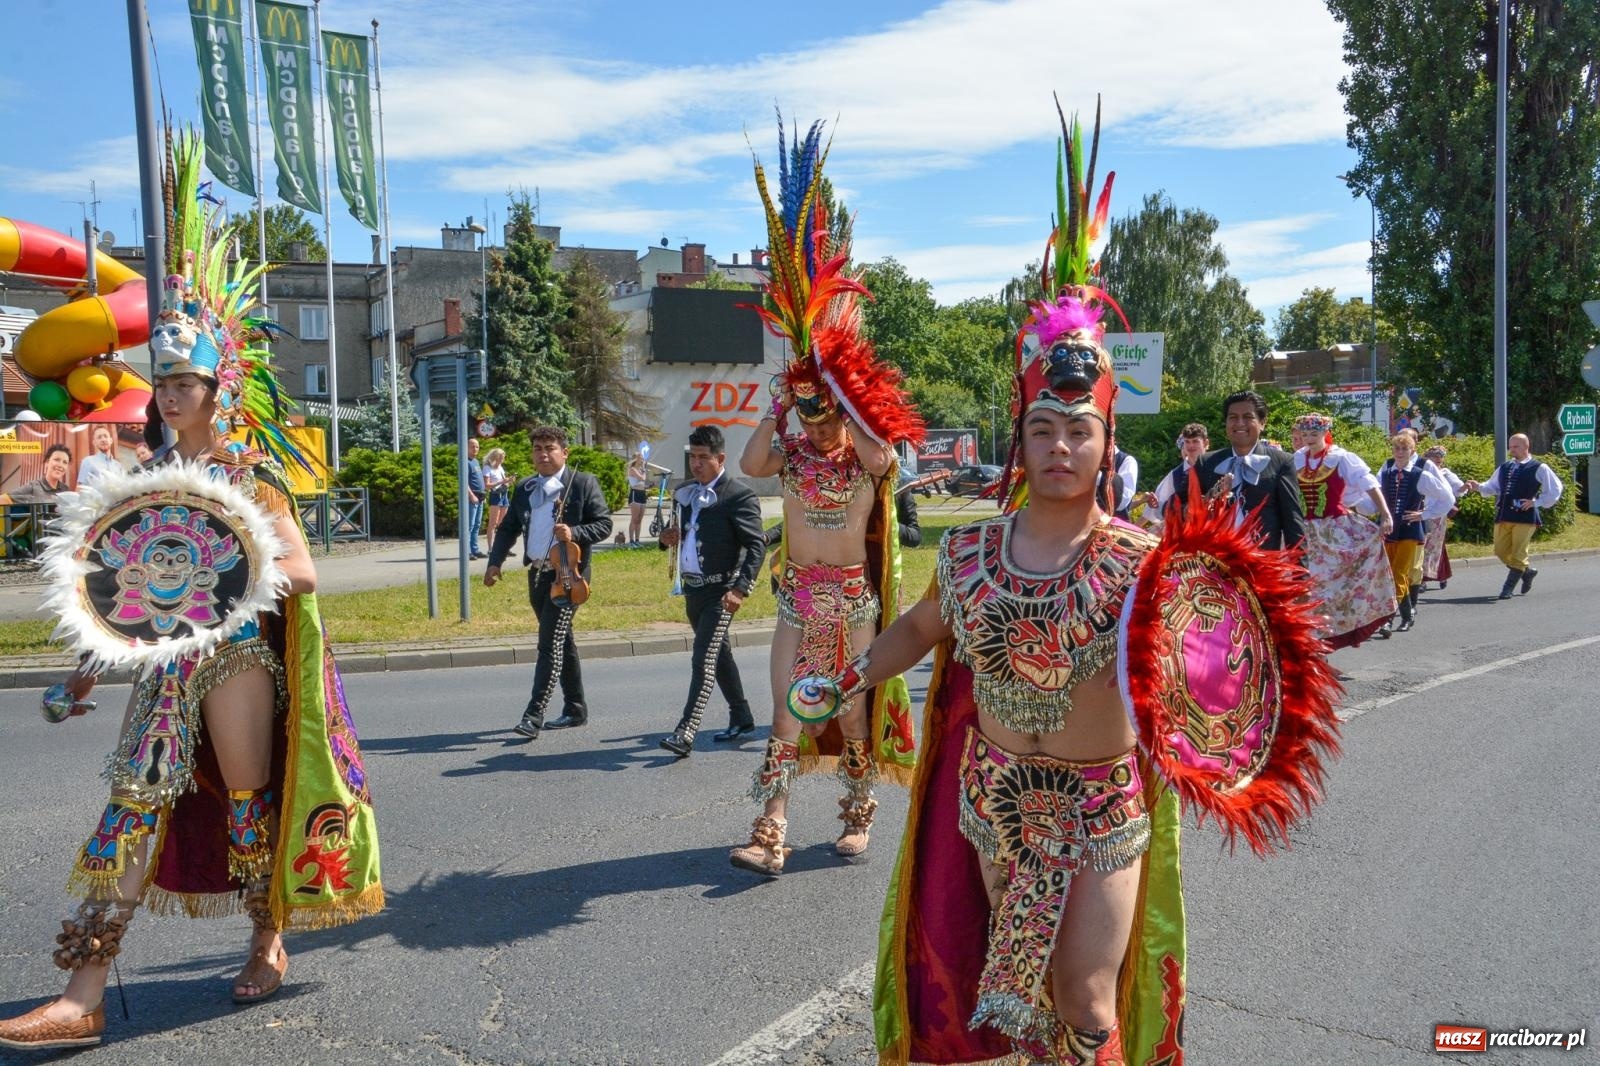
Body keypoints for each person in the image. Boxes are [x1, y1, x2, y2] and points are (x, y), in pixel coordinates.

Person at [834, 114, 1341, 1065]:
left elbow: (1225, 679)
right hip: (994, 796)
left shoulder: (1149, 561)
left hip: (1102, 804)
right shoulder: (972, 552)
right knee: (1018, 995)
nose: (1060, 447)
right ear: (1019, 441)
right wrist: (849, 677)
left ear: (1106, 443)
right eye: (1041, 430)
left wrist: (1236, 741)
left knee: (1089, 998)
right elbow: (916, 629)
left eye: (1079, 430)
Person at [0, 138, 381, 1051]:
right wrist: (89, 670)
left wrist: (228, 580)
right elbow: (117, 590)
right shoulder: (141, 479)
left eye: (186, 381)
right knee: (132, 802)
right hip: (161, 674)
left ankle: (269, 932)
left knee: (248, 797)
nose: (171, 394)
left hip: (237, 658)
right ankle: (83, 994)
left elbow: (301, 570)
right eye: (162, 380)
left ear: (216, 387)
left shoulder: (247, 476)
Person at [727, 115, 923, 875]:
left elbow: (883, 454)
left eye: (823, 408)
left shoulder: (869, 458)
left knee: (847, 710)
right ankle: (769, 829)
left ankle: (857, 810)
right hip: (796, 595)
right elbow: (749, 463)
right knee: (783, 713)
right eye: (807, 409)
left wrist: (846, 389)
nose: (815, 419)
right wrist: (779, 406)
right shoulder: (792, 452)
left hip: (853, 601)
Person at [486, 425, 613, 738]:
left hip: (570, 575)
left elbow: (604, 524)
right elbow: (507, 528)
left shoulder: (582, 484)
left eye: (550, 448)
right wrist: (494, 562)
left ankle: (534, 714)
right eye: (538, 449)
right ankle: (576, 708)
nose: (543, 454)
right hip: (539, 574)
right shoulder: (526, 488)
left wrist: (576, 533)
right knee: (561, 640)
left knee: (548, 643)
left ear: (564, 452)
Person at [656, 425, 766, 755]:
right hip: (693, 591)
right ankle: (742, 716)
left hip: (722, 591)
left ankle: (686, 731)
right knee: (719, 656)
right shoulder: (687, 493)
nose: (697, 464)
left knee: (703, 657)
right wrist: (666, 539)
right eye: (693, 457)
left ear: (721, 458)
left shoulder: (738, 495)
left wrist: (741, 588)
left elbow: (756, 546)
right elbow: (677, 534)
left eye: (704, 458)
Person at [1291, 413, 1397, 646]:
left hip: (1336, 530)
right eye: (1305, 434)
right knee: (1309, 591)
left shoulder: (1340, 458)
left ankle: (1329, 642)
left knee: (1333, 592)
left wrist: (1385, 514)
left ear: (1325, 434)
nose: (1309, 438)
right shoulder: (1297, 459)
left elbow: (1368, 483)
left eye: (1314, 434)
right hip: (1305, 533)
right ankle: (1313, 647)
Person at [1171, 390, 1306, 550]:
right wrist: (1201, 504)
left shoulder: (1282, 462)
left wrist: (1300, 574)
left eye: (1248, 417)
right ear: (1226, 423)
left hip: (1262, 564)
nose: (1240, 423)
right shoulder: (1206, 462)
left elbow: (1293, 523)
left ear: (1262, 422)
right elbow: (1175, 506)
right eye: (1233, 417)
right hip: (1213, 565)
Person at [1464, 432, 1564, 599]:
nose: (1512, 450)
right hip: (1505, 513)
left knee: (1519, 552)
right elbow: (1493, 487)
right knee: (1500, 550)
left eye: (1516, 447)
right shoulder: (1505, 467)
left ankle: (1507, 588)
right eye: (1511, 447)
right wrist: (1478, 486)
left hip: (1525, 517)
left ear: (1526, 446)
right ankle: (1527, 572)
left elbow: (1555, 490)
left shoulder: (1539, 467)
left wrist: (1536, 502)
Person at [1377, 432, 1456, 631]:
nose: (1400, 452)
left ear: (1412, 450)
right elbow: (1371, 498)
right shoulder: (1386, 469)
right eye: (1397, 448)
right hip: (1388, 529)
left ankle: (1387, 618)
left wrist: (1424, 514)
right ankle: (1407, 613)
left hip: (1410, 531)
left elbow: (1447, 498)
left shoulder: (1421, 472)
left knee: (1400, 572)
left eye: (1405, 449)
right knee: (1389, 574)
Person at [1421, 444, 1463, 589]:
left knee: (1431, 545)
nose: (1438, 460)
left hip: (1438, 514)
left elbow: (1458, 487)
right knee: (1422, 544)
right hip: (1421, 511)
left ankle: (1424, 579)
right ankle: (1439, 575)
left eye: (1440, 458)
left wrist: (1465, 487)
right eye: (1434, 457)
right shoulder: (1420, 472)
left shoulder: (1445, 473)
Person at [1147, 422, 1209, 516]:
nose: (1191, 446)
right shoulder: (1175, 475)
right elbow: (1159, 507)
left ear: (1206, 443)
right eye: (1187, 442)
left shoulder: (1216, 466)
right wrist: (1182, 511)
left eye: (1195, 441)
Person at [0, 442, 72, 504]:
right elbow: (3, 499)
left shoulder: (65, 489)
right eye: (57, 460)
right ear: (47, 462)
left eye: (65, 462)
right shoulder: (33, 487)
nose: (60, 465)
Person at [483, 446, 511, 548]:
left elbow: (504, 482)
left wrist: (508, 482)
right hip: (495, 495)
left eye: (503, 458)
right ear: (495, 457)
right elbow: (487, 485)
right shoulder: (487, 468)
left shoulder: (501, 468)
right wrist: (501, 482)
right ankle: (491, 548)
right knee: (493, 523)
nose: (502, 460)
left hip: (504, 494)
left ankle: (501, 546)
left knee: (502, 523)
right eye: (500, 458)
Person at [465, 437, 486, 560]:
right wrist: (471, 495)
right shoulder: (465, 462)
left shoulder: (476, 461)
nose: (475, 449)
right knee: (470, 525)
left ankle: (475, 549)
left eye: (477, 446)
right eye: (472, 446)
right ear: (466, 447)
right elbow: (464, 481)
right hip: (471, 498)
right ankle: (466, 552)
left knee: (477, 525)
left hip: (480, 497)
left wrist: (483, 494)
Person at [626, 451, 650, 546]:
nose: (643, 459)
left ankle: (637, 540)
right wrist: (644, 470)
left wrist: (647, 486)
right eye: (641, 458)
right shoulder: (632, 469)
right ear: (636, 459)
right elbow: (642, 478)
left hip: (642, 494)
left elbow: (643, 482)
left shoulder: (641, 469)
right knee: (634, 519)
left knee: (639, 519)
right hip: (635, 494)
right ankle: (631, 541)